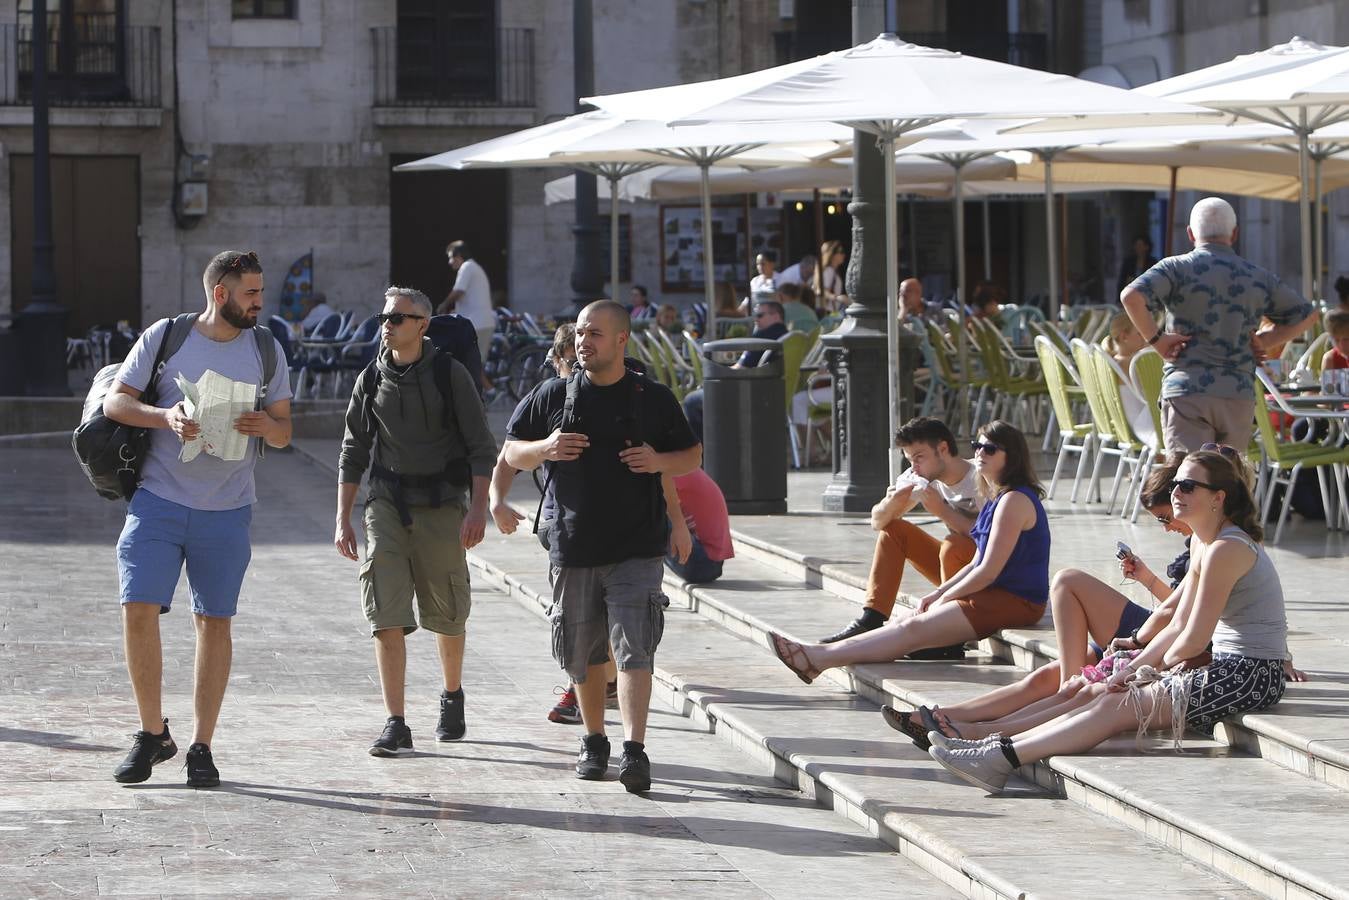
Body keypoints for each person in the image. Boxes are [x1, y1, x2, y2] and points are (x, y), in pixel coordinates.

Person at [930, 448, 1292, 794]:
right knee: (1099, 690)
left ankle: (999, 756)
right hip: (1227, 667)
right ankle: (991, 742)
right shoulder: (1203, 542)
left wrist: (1141, 672)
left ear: (1219, 498)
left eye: (1188, 486)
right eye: (1175, 484)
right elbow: (1177, 624)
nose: (1176, 492)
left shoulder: (1227, 548)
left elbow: (1193, 639)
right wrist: (1131, 666)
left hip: (1252, 674)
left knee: (1113, 703)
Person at [105, 249, 293, 787]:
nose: (260, 302)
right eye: (251, 293)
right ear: (221, 293)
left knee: (214, 622)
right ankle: (151, 734)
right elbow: (117, 403)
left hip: (228, 509)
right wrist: (165, 416)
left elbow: (285, 432)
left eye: (260, 291)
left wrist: (265, 426)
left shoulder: (265, 348)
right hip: (158, 501)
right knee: (137, 607)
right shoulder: (167, 336)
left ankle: (201, 746)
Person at [503, 300, 702, 793]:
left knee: (634, 647)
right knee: (584, 650)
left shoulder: (651, 398)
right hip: (573, 546)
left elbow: (691, 456)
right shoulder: (553, 394)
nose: (584, 342)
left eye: (595, 334)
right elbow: (510, 451)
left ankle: (635, 750)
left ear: (621, 341)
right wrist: (545, 448)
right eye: (580, 334)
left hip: (637, 545)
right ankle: (595, 741)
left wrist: (658, 460)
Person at [886, 464, 1191, 748]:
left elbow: (1179, 615)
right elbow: (1177, 605)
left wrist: (1136, 639)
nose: (1166, 528)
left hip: (1161, 640)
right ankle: (948, 717)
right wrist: (1146, 578)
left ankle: (980, 729)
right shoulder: (1202, 543)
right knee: (1040, 679)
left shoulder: (1217, 547)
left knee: (1068, 585)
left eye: (1166, 517)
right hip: (1154, 632)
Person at [335, 286, 497, 756]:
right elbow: (353, 449)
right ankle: (396, 721)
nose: (388, 324)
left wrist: (478, 506)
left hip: (443, 504)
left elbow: (481, 446)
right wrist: (342, 517)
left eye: (399, 318)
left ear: (423, 325)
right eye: (384, 316)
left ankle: (451, 695)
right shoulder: (370, 379)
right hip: (385, 503)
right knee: (384, 608)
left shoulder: (450, 375)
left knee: (447, 611)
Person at [768, 420, 1049, 681]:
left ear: (1010, 456)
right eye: (977, 447)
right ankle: (826, 650)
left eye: (989, 449)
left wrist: (946, 597)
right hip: (993, 592)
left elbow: (987, 570)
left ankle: (819, 659)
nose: (979, 454)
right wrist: (938, 593)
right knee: (905, 622)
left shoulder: (1014, 500)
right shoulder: (998, 496)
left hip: (1017, 600)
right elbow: (978, 560)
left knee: (912, 627)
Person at [1121, 197, 1318, 453]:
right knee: (1227, 480)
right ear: (1235, 234)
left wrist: (1157, 341)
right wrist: (1267, 341)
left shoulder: (1175, 268)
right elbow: (1308, 315)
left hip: (1187, 390)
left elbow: (1131, 297)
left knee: (1188, 478)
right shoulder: (1258, 276)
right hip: (1237, 393)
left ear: (1191, 233)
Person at [821, 418, 984, 644]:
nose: (914, 467)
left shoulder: (981, 478)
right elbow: (878, 522)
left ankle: (950, 636)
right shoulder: (925, 478)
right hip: (955, 573)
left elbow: (993, 540)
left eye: (919, 457)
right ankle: (871, 618)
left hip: (988, 574)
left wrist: (942, 510)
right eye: (909, 460)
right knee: (894, 530)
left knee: (952, 545)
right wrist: (894, 502)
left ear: (943, 449)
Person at [665, 468, 733, 584]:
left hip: (701, 562)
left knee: (646, 513)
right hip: (710, 561)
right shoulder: (681, 464)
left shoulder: (668, 471)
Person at [438, 241, 497, 373]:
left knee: (470, 362)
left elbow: (459, 291)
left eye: (451, 257)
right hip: (481, 323)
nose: (449, 262)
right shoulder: (474, 268)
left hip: (476, 324)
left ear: (459, 256)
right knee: (472, 362)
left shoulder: (467, 267)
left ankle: (489, 390)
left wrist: (444, 305)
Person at [814, 240, 847, 311]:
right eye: (841, 252)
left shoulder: (832, 271)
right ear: (831, 254)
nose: (844, 255)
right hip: (828, 313)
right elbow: (821, 291)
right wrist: (839, 298)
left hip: (829, 312)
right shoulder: (829, 271)